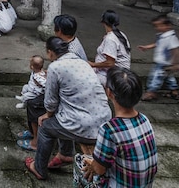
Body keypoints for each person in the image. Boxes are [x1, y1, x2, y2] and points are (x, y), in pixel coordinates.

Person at [24, 37, 111, 181]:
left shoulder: (55, 67)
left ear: (50, 52)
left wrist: (47, 114)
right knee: (62, 114)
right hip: (104, 120)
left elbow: (50, 102)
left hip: (86, 126)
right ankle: (65, 154)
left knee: (45, 127)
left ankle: (39, 168)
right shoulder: (82, 62)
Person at [80, 67, 158, 187]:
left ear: (109, 93)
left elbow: (100, 170)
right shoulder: (144, 119)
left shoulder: (109, 130)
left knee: (81, 169)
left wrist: (94, 165)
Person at [138, 15, 179, 101]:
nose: (158, 28)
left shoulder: (171, 37)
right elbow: (157, 43)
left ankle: (151, 92)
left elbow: (175, 51)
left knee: (155, 77)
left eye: (160, 25)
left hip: (164, 63)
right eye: (156, 26)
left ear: (168, 25)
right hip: (166, 62)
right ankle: (174, 91)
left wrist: (176, 64)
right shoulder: (162, 36)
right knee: (169, 77)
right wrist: (147, 47)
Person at [89, 10, 131, 87]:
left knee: (87, 79)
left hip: (115, 74)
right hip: (120, 72)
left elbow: (110, 63)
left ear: (103, 22)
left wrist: (93, 64)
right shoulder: (121, 34)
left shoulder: (110, 38)